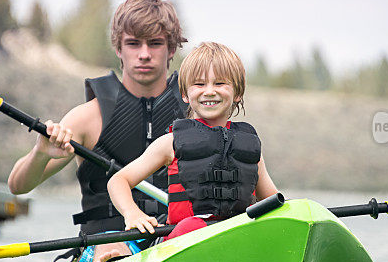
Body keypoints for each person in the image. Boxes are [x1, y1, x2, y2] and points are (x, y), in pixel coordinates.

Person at [8, 0, 188, 262]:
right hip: (105, 245)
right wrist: (41, 152)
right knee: (113, 248)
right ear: (118, 48)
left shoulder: (192, 113)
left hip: (174, 242)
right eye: (133, 43)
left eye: (155, 44)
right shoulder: (86, 118)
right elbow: (18, 186)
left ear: (171, 49)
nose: (143, 54)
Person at [107, 42, 277, 240]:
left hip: (234, 236)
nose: (210, 91)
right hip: (184, 240)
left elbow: (273, 200)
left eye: (220, 83)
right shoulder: (171, 142)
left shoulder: (249, 147)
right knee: (192, 226)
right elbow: (119, 180)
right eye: (199, 84)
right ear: (185, 94)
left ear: (237, 93)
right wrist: (132, 213)